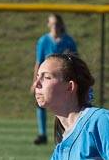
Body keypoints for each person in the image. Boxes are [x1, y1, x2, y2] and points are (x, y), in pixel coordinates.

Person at [32, 14, 78, 145]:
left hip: (62, 80)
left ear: (61, 25)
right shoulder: (43, 41)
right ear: (48, 25)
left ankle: (68, 133)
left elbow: (76, 61)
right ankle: (42, 134)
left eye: (57, 24)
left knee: (64, 106)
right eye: (52, 24)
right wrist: (35, 81)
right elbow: (38, 62)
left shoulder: (68, 41)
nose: (55, 27)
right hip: (46, 79)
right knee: (41, 102)